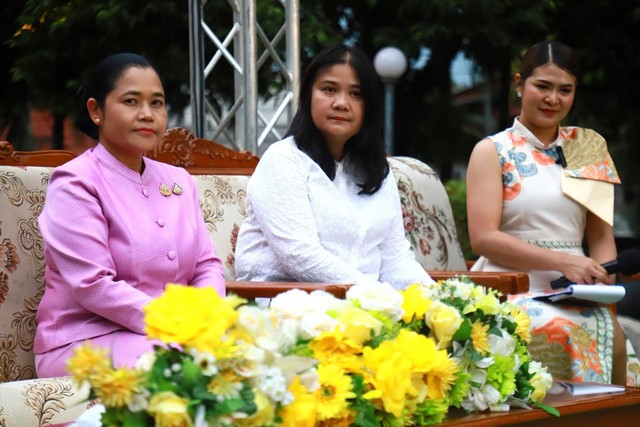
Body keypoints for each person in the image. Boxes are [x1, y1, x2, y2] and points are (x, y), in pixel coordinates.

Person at [34, 53, 225, 377]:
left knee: (252, 354)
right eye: (131, 101)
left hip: (175, 335)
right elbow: (93, 284)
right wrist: (177, 324)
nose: (147, 114)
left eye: (157, 103)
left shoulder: (179, 180)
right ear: (96, 111)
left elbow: (207, 265)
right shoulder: (75, 183)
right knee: (190, 368)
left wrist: (207, 317)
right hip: (85, 341)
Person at [466, 40, 637, 386]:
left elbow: (601, 236)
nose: (553, 99)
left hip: (578, 287)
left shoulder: (588, 147)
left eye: (565, 90)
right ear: (519, 84)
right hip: (510, 284)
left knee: (614, 337)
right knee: (560, 331)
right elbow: (483, 239)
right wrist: (563, 262)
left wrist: (605, 289)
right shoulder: (492, 150)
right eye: (542, 86)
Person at [234, 44, 433, 290]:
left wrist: (438, 298)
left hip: (367, 303)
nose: (341, 103)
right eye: (329, 89)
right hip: (287, 301)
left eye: (356, 94)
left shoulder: (377, 169)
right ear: (308, 95)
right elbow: (299, 256)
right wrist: (377, 294)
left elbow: (395, 260)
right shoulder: (283, 159)